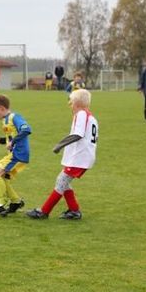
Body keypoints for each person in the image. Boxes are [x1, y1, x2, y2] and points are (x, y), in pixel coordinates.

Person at [26, 89, 97, 220]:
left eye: (71, 101)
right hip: (84, 157)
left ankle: (44, 211)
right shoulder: (90, 116)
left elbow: (78, 134)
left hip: (80, 158)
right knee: (63, 181)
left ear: (77, 103)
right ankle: (74, 210)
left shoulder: (81, 114)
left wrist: (60, 145)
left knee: (61, 181)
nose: (69, 104)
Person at [0, 94, 32, 216]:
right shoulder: (5, 120)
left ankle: (1, 203)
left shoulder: (14, 117)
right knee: (3, 177)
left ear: (1, 108)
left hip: (18, 155)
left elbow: (26, 129)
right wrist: (2, 140)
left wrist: (13, 141)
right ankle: (16, 201)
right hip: (16, 154)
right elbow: (12, 137)